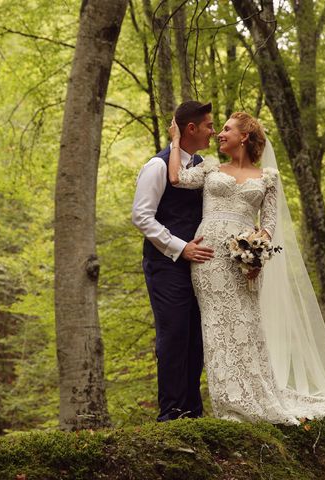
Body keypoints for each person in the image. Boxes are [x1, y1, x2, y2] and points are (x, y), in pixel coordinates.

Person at [167, 111, 325, 461]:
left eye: (226, 129)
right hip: (208, 257)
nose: (220, 134)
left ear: (244, 137)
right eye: (220, 128)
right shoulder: (210, 167)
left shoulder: (268, 178)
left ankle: (257, 395)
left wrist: (254, 256)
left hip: (242, 261)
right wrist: (175, 140)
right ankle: (228, 402)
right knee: (215, 326)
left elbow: (269, 226)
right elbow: (179, 178)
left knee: (246, 325)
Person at [131, 100, 216, 421]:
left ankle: (192, 411)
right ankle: (171, 413)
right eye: (208, 125)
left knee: (196, 336)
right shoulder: (157, 166)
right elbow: (141, 216)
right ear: (191, 128)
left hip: (201, 267)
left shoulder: (203, 165)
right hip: (166, 265)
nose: (213, 130)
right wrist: (181, 248)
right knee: (175, 334)